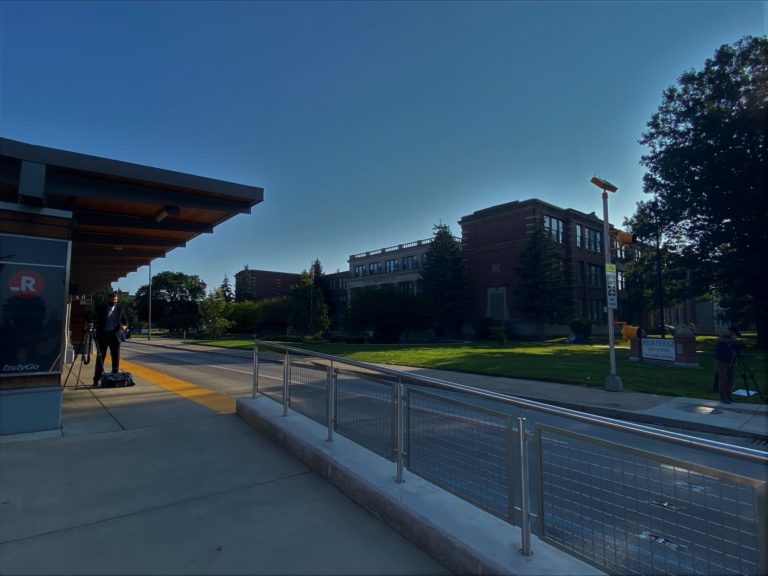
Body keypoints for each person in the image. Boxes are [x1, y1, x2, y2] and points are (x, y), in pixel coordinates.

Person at [92, 292, 128, 386]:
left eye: (115, 300)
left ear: (117, 300)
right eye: (112, 300)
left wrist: (124, 326)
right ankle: (96, 379)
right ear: (108, 299)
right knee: (100, 357)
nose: (113, 301)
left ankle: (114, 378)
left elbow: (125, 320)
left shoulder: (120, 309)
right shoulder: (101, 309)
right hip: (103, 336)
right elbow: (95, 319)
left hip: (115, 336)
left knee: (115, 358)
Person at [714, 325, 741, 404]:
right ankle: (723, 397)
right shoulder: (723, 337)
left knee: (731, 379)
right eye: (734, 332)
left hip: (731, 361)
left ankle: (728, 396)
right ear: (730, 331)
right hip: (722, 361)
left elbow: (733, 350)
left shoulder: (733, 339)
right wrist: (731, 340)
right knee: (723, 379)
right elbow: (719, 340)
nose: (734, 334)